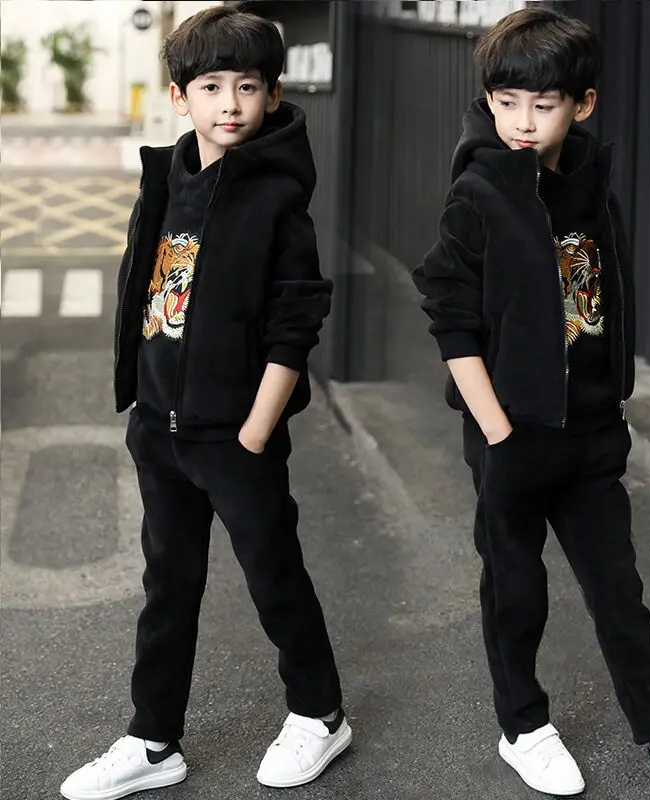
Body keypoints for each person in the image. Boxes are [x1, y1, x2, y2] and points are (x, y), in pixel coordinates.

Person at [412, 7, 650, 798]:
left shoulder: (593, 183)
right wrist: (498, 431)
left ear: (583, 104)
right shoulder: (479, 191)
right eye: (506, 102)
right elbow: (449, 315)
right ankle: (523, 728)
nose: (522, 122)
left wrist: (612, 404)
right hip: (513, 433)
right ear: (489, 100)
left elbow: (607, 295)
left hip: (593, 430)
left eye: (543, 105)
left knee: (618, 589)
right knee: (516, 590)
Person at [60, 8, 350, 799]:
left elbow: (297, 322)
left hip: (235, 437)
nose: (230, 103)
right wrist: (141, 407)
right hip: (160, 430)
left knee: (273, 574)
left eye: (247, 87)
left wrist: (255, 430)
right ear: (179, 95)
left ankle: (320, 713)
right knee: (168, 587)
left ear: (273, 95)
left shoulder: (277, 198)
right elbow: (147, 289)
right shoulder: (168, 177)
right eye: (212, 86)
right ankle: (153, 739)